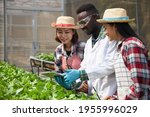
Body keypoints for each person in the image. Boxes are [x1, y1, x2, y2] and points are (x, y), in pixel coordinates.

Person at [63, 4, 117, 99]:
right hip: (95, 95)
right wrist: (72, 82)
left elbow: (110, 65)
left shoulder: (111, 39)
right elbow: (85, 67)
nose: (82, 27)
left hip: (111, 95)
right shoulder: (89, 43)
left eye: (84, 22)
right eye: (80, 24)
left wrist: (80, 74)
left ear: (96, 17)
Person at [97, 8, 150, 100]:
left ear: (115, 26)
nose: (105, 33)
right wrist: (114, 98)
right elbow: (124, 85)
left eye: (106, 28)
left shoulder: (132, 45)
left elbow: (140, 84)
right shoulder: (121, 46)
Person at [51, 16, 86, 90]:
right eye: (60, 32)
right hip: (69, 91)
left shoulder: (83, 47)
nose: (63, 36)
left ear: (73, 32)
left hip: (86, 90)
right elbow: (58, 72)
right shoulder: (58, 50)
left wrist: (79, 84)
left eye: (67, 32)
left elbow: (90, 71)